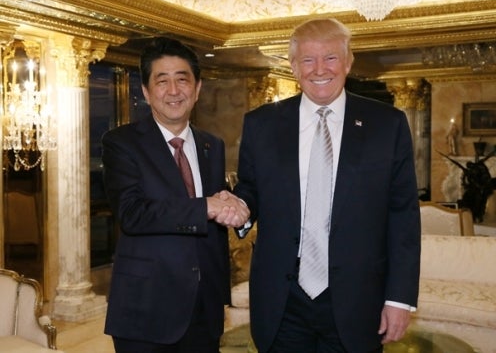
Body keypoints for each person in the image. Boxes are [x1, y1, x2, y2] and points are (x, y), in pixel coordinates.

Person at [233, 18, 421, 352]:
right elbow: (250, 189)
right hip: (282, 300)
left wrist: (400, 299)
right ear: (293, 66)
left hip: (358, 299)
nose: (320, 69)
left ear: (348, 62)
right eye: (308, 59)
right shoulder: (261, 124)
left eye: (331, 57)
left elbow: (403, 216)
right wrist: (239, 208)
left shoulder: (387, 125)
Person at [102, 37, 249, 353]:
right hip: (146, 308)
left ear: (196, 90)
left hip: (205, 306)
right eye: (162, 81)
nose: (173, 91)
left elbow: (209, 216)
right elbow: (132, 213)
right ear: (146, 91)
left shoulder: (212, 145)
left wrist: (230, 205)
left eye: (182, 80)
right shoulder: (121, 143)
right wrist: (205, 207)